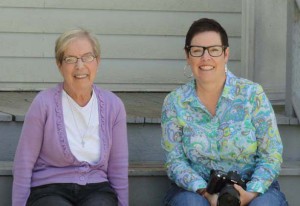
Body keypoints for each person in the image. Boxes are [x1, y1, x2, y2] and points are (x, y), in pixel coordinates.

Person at [161, 18, 288, 206]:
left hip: (251, 187)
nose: (206, 58)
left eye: (214, 50)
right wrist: (205, 192)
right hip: (197, 190)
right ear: (188, 56)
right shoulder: (175, 102)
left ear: (226, 54)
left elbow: (272, 154)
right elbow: (174, 161)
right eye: (197, 50)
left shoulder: (252, 94)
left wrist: (250, 193)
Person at [12, 28, 128, 206]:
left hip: (97, 188)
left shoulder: (114, 106)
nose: (80, 66)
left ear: (97, 61)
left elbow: (118, 169)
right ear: (59, 65)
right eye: (70, 59)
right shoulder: (43, 103)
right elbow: (24, 162)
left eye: (87, 57)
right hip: (49, 189)